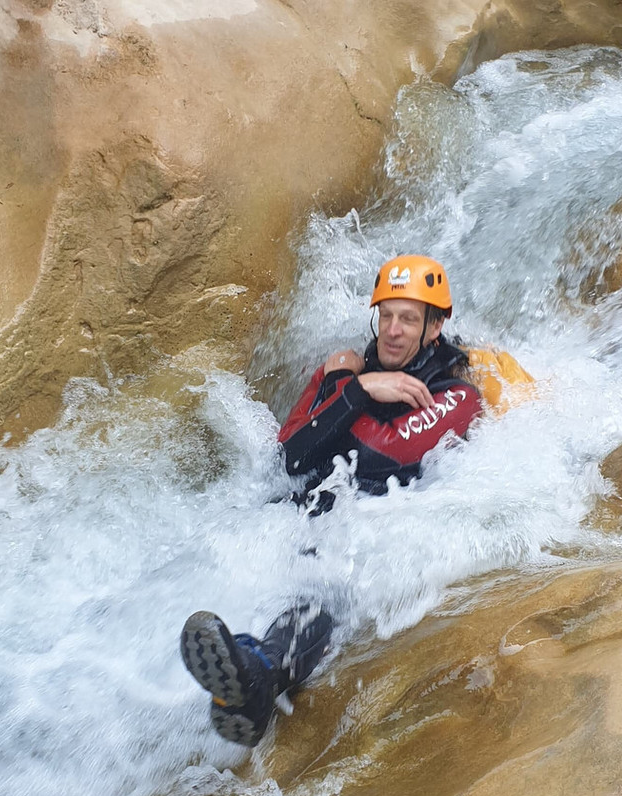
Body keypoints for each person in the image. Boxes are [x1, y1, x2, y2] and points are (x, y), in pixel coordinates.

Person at [180, 255, 484, 747]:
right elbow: (290, 456)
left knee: (329, 589)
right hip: (310, 511)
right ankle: (236, 686)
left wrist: (346, 390)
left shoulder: (455, 394)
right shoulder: (353, 373)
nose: (393, 330)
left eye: (408, 318)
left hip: (385, 526)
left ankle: (257, 673)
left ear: (435, 326)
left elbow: (380, 456)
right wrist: (357, 387)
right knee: (253, 551)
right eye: (385, 315)